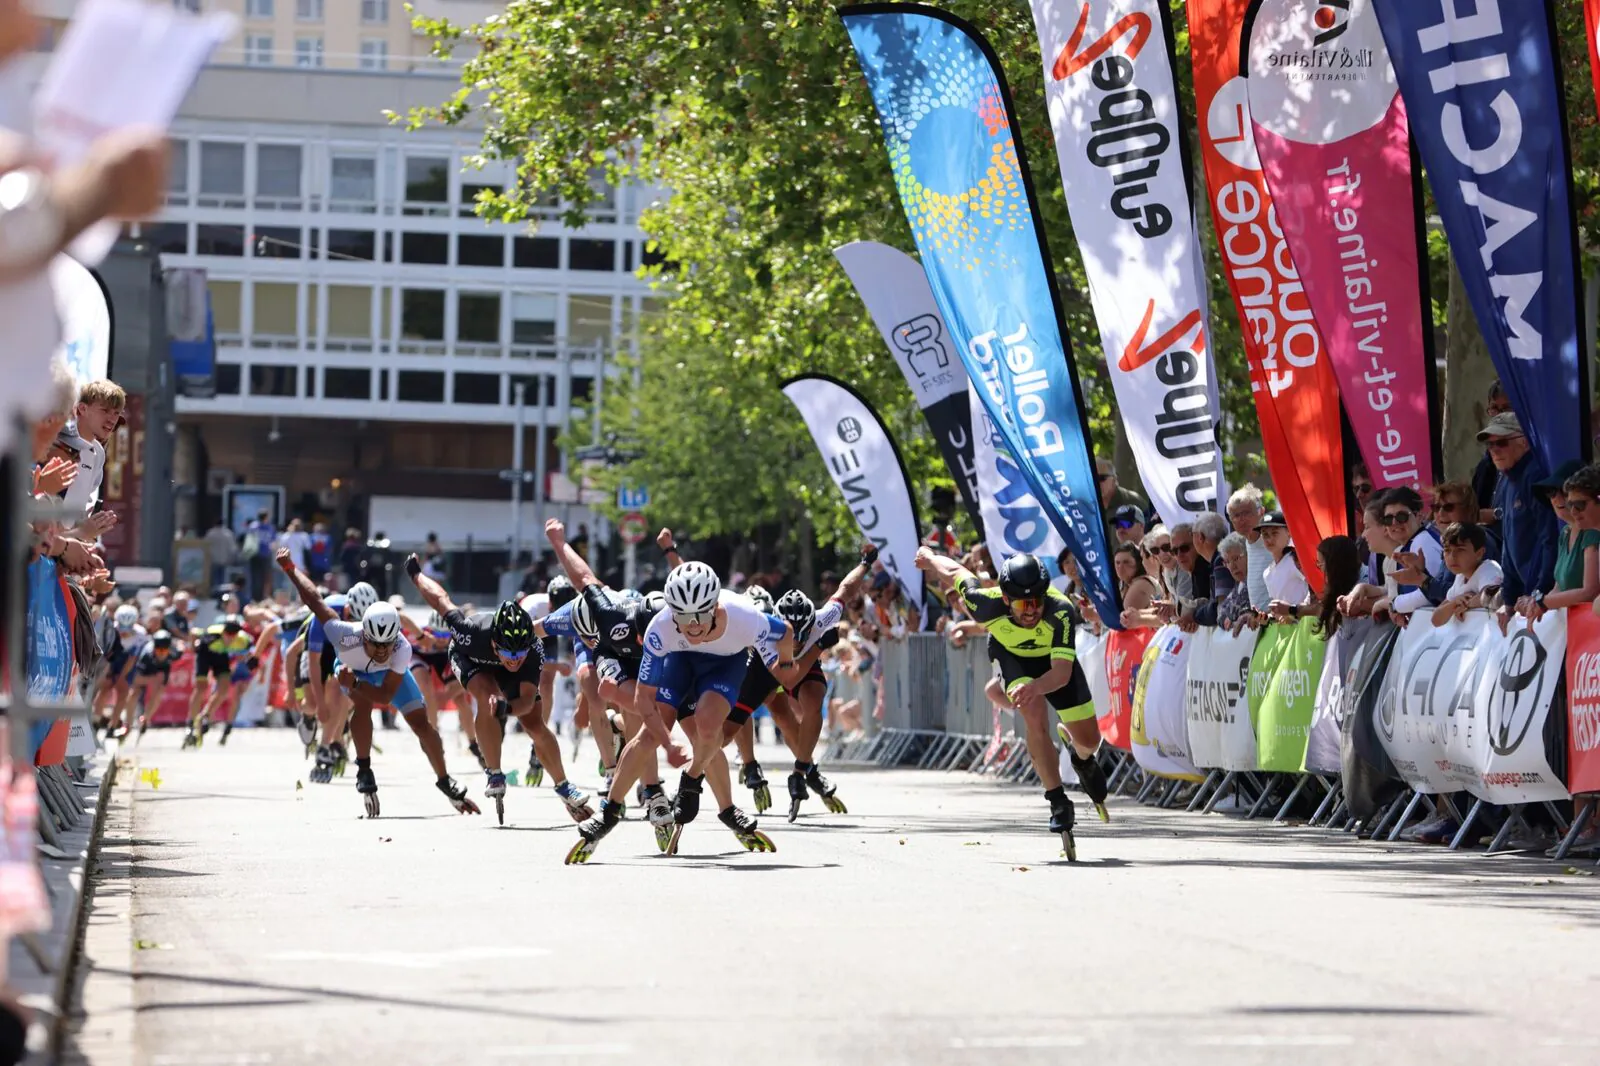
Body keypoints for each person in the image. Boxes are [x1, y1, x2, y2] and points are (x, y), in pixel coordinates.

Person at [564, 560, 792, 863]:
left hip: (724, 666)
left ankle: (709, 795)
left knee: (709, 730)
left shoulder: (744, 616)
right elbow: (644, 701)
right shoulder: (661, 627)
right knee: (648, 737)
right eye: (683, 616)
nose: (693, 624)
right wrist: (668, 744)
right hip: (680, 662)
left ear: (715, 605)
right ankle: (610, 812)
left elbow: (786, 631)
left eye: (700, 614)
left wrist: (785, 662)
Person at [915, 547, 1109, 860]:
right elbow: (954, 573)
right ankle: (1057, 799)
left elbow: (1060, 673)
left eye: (1036, 602)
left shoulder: (1059, 610)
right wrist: (930, 558)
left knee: (1090, 740)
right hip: (1012, 658)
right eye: (1023, 604)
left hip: (1052, 667)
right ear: (1005, 599)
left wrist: (1037, 685)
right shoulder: (982, 602)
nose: (1032, 611)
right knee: (1032, 714)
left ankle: (1082, 759)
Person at [277, 549, 479, 818]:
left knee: (423, 725)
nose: (383, 650)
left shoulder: (402, 648)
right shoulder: (344, 635)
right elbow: (314, 599)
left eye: (388, 644)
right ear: (363, 635)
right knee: (360, 705)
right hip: (352, 670)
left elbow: (384, 697)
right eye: (376, 644)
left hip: (383, 679)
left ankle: (444, 779)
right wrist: (291, 568)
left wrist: (359, 684)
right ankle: (364, 768)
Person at [405, 553, 592, 826]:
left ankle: (563, 785)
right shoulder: (471, 631)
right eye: (507, 652)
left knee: (535, 724)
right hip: (471, 658)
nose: (514, 659)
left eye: (519, 653)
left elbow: (527, 701)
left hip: (507, 669)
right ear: (495, 643)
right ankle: (494, 771)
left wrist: (510, 708)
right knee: (488, 696)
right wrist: (416, 575)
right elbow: (441, 599)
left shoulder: (532, 651)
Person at [746, 549, 875, 821]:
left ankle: (802, 770)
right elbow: (787, 678)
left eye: (803, 636)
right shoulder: (767, 633)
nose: (796, 642)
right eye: (793, 637)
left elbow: (845, 590)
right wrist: (815, 647)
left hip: (804, 670)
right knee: (778, 714)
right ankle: (753, 765)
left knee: (814, 699)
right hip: (771, 670)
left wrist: (865, 564)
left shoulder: (822, 618)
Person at [1482, 412, 1556, 632]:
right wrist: (1509, 600)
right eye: (1490, 444)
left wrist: (1539, 591)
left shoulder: (1535, 475)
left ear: (1524, 441)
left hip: (1543, 602)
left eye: (1501, 442)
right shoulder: (1508, 478)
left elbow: (1550, 539)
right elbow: (1509, 544)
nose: (1494, 450)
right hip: (1526, 600)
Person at [1523, 462, 1600, 620]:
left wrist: (1543, 603)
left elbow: (1591, 592)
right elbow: (1559, 586)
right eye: (1551, 492)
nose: (1557, 499)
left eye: (1579, 504)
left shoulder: (1593, 534)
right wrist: (1536, 604)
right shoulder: (1565, 533)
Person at [1226, 485, 1272, 612]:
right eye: (1235, 515)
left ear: (1261, 511)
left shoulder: (1274, 540)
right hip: (1261, 624)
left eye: (1246, 513)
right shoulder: (1246, 543)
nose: (1241, 520)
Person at [1259, 510, 1310, 623]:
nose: (1269, 539)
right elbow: (1277, 610)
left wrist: (1293, 610)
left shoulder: (1296, 559)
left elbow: (1315, 590)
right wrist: (1267, 617)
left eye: (1275, 533)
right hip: (1289, 633)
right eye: (1265, 534)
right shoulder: (1267, 573)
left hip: (1307, 627)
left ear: (1289, 532)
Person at [242, 510, 276, 602]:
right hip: (265, 555)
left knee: (254, 577)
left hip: (254, 555)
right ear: (266, 517)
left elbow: (247, 537)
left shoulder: (253, 526)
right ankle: (261, 598)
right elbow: (273, 542)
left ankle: (254, 597)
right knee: (264, 577)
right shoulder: (270, 528)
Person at [205, 520, 238, 591]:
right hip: (224, 560)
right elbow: (233, 548)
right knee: (223, 579)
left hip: (213, 560)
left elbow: (205, 546)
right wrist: (231, 559)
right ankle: (222, 594)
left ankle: (215, 593)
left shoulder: (210, 533)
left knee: (215, 579)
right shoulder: (228, 534)